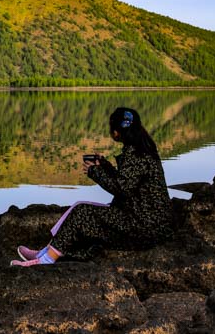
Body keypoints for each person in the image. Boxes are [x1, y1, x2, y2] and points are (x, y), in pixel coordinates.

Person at [11, 107, 174, 266]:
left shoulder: (136, 154)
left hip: (144, 228)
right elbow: (129, 181)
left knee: (82, 212)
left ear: (116, 132)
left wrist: (95, 172)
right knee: (80, 210)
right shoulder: (143, 149)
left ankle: (46, 260)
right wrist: (105, 166)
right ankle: (45, 252)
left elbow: (122, 189)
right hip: (149, 224)